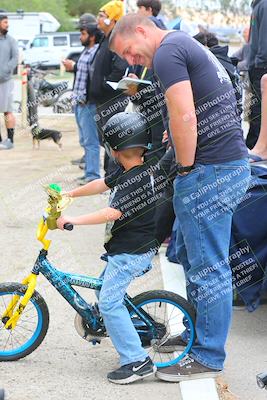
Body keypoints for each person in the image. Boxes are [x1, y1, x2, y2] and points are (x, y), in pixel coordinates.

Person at [110, 14, 250, 382]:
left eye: (130, 52)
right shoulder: (183, 45)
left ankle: (207, 354)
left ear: (140, 30)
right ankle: (196, 334)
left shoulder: (167, 51)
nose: (132, 62)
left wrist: (185, 168)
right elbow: (190, 112)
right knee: (193, 256)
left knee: (209, 267)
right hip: (223, 166)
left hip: (209, 171)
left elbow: (185, 115)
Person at [57, 112, 165, 384]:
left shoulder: (135, 179)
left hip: (131, 253)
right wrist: (69, 194)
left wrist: (73, 220)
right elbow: (101, 184)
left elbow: (111, 213)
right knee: (101, 288)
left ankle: (137, 361)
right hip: (125, 249)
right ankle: (122, 328)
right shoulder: (133, 168)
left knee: (109, 302)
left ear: (113, 150)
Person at [89, 0, 129, 176]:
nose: (98, 19)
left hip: (111, 101)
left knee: (113, 140)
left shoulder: (116, 38)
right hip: (101, 101)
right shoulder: (105, 38)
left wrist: (104, 85)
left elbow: (120, 68)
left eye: (102, 15)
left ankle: (114, 176)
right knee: (105, 140)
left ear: (112, 19)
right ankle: (111, 175)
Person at [63, 14, 101, 185]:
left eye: (83, 33)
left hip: (88, 104)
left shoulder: (96, 52)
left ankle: (93, 175)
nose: (80, 36)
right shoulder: (86, 51)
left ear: (92, 35)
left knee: (91, 141)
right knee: (84, 139)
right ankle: (88, 171)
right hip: (78, 103)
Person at [247, 0, 267, 149]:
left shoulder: (263, 5)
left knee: (258, 109)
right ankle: (254, 145)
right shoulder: (259, 5)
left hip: (260, 65)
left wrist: (259, 62)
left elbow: (264, 40)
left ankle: (255, 146)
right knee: (256, 109)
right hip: (257, 65)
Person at [0, 14, 18, 150]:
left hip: (5, 81)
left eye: (8, 22)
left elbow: (15, 58)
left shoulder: (11, 41)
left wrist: (6, 70)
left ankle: (10, 140)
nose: (8, 25)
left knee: (7, 111)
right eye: (5, 22)